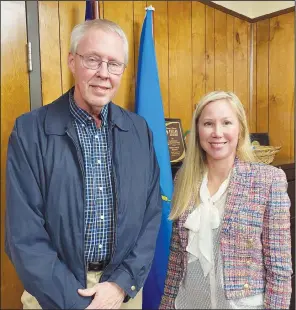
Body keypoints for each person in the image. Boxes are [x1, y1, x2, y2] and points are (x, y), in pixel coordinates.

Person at [5, 18, 162, 310]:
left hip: (121, 293)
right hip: (53, 296)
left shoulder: (139, 131)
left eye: (114, 64)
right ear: (72, 61)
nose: (104, 73)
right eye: (93, 60)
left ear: (123, 71)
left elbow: (151, 215)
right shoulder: (30, 132)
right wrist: (77, 303)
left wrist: (119, 285)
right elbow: (23, 235)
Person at [160, 91, 292, 309]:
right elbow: (176, 258)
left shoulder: (268, 180)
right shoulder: (184, 178)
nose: (217, 132)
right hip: (188, 303)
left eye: (227, 122)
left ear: (240, 129)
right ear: (198, 130)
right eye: (208, 123)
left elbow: (279, 269)